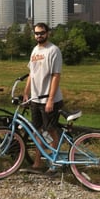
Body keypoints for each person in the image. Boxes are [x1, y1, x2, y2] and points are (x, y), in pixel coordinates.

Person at [23, 22, 64, 176]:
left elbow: (56, 76)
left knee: (51, 131)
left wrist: (51, 99)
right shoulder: (35, 50)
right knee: (37, 131)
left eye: (42, 33)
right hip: (35, 98)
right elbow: (31, 74)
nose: (39, 35)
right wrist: (26, 92)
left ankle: (53, 163)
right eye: (36, 33)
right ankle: (37, 162)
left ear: (48, 33)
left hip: (49, 99)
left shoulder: (53, 50)